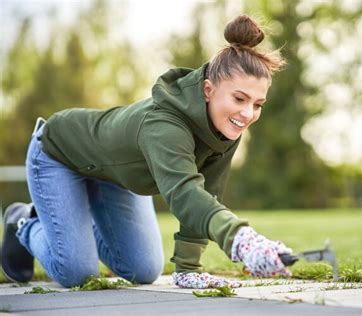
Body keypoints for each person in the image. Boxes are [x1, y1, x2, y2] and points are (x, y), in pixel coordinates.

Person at [1, 15, 292, 289]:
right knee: (77, 272)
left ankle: (68, 224)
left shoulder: (227, 126)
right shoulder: (164, 124)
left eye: (257, 104)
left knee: (143, 270)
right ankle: (23, 221)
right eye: (239, 98)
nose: (247, 113)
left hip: (113, 174)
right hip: (59, 153)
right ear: (207, 89)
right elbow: (185, 192)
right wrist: (241, 240)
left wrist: (188, 268)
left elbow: (207, 193)